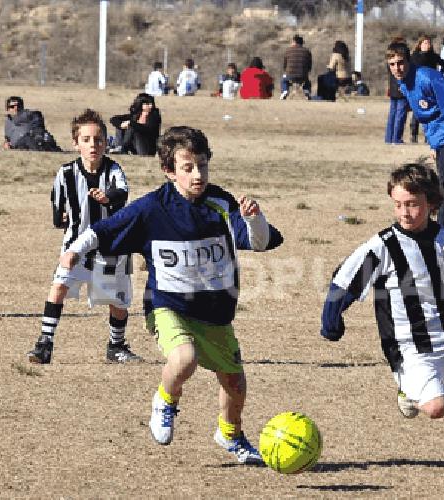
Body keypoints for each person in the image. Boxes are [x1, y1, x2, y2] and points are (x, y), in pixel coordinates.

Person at [58, 125, 285, 462]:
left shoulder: (220, 202)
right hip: (169, 307)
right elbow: (106, 229)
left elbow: (260, 241)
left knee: (235, 385)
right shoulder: (152, 208)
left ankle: (230, 435)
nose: (198, 175)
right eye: (188, 167)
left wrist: (254, 219)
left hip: (215, 314)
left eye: (203, 165)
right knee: (185, 358)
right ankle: (165, 401)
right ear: (168, 171)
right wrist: (74, 251)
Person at [320, 163, 444, 485]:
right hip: (408, 345)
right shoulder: (383, 245)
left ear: (432, 204)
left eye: (412, 204)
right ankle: (407, 389)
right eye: (398, 204)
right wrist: (332, 318)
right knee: (436, 408)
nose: (405, 212)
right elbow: (345, 282)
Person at [27, 109, 142, 365]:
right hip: (75, 246)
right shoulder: (65, 173)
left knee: (117, 304)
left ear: (106, 143)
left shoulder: (113, 169)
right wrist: (61, 220)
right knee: (58, 288)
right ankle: (44, 344)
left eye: (99, 139)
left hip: (110, 248)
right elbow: (58, 209)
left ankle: (116, 346)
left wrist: (107, 198)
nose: (93, 145)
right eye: (87, 139)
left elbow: (122, 192)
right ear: (75, 144)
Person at [387, 41, 444, 243]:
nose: (397, 68)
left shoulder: (428, 77)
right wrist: (433, 144)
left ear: (409, 61)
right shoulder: (403, 83)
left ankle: (437, 240)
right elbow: (427, 118)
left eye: (401, 62)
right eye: (392, 64)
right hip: (440, 141)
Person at [409, 35, 444, 143]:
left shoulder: (433, 56)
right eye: (425, 43)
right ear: (420, 44)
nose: (427, 45)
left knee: (431, 110)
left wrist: (438, 75)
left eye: (429, 43)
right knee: (417, 110)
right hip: (417, 86)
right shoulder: (414, 56)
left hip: (431, 86)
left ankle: (429, 135)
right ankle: (414, 135)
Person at [385, 36, 410, 145]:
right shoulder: (401, 57)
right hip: (400, 89)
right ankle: (396, 138)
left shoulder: (390, 56)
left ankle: (389, 138)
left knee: (392, 114)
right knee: (400, 115)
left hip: (393, 89)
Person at [280, 35, 312, 100]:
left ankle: (285, 91)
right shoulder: (307, 51)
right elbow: (309, 65)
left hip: (289, 75)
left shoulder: (288, 50)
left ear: (294, 42)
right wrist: (306, 72)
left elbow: (284, 65)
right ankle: (307, 92)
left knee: (283, 80)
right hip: (303, 75)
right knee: (307, 82)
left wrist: (286, 71)